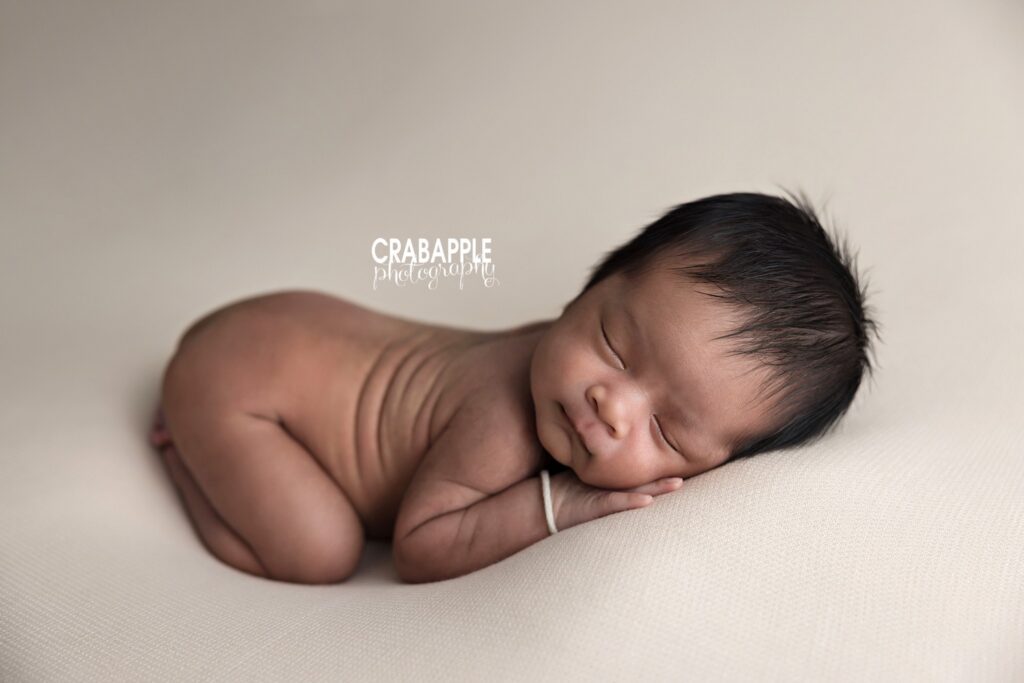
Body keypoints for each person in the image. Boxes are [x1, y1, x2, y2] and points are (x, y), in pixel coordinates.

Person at [149, 190, 879, 584]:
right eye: (613, 343)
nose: (611, 403)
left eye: (667, 431)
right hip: (241, 387)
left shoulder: (561, 363)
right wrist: (555, 503)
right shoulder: (504, 416)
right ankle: (184, 448)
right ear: (583, 293)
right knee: (322, 553)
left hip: (285, 322)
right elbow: (420, 546)